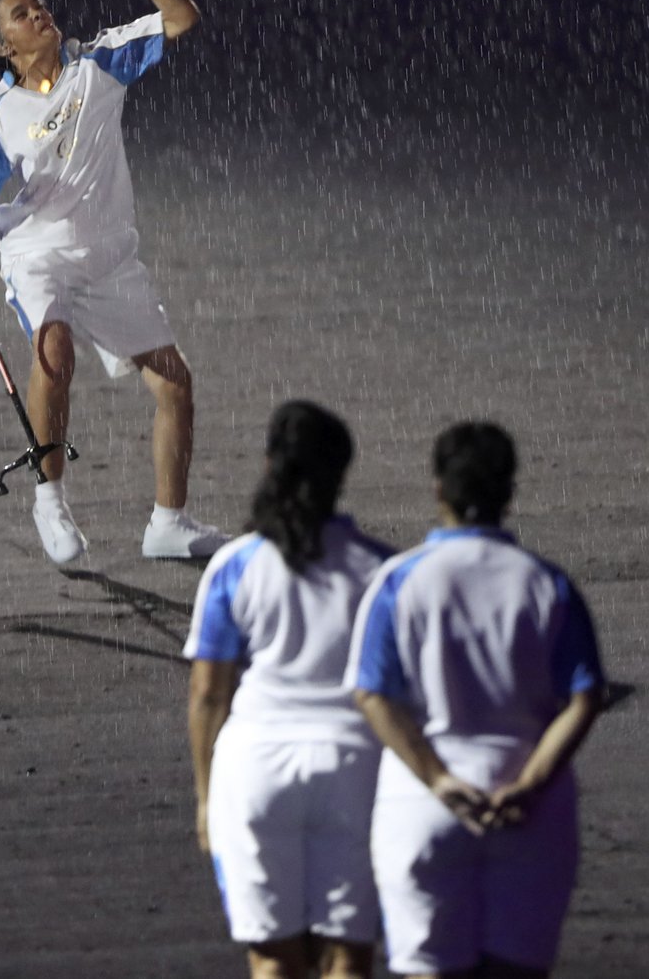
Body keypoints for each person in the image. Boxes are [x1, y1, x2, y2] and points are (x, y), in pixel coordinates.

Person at [0, 0, 228, 565]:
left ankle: (169, 524)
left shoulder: (98, 61)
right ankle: (49, 500)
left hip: (108, 258)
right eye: (22, 15)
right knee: (54, 349)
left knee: (175, 385)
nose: (40, 14)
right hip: (38, 252)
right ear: (2, 47)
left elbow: (182, 17)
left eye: (39, 5)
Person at [346, 422, 606, 979]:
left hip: (423, 806)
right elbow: (583, 700)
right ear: (509, 492)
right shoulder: (547, 583)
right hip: (532, 812)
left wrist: (439, 778)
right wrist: (528, 785)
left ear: (438, 487)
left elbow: (373, 694)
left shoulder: (399, 581)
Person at [185, 401, 396, 979]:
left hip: (254, 768)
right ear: (341, 472)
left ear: (270, 464)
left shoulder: (234, 566)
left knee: (275, 959)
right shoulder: (382, 569)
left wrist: (206, 800)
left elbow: (208, 694)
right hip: (357, 768)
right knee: (348, 956)